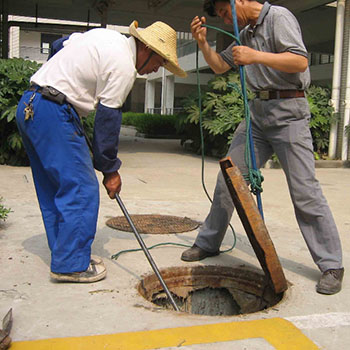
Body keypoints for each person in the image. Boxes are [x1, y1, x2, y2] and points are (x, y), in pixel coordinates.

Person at [181, 0, 344, 295]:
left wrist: (256, 56)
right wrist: (203, 44)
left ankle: (331, 264)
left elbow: (300, 61)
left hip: (289, 112)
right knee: (229, 179)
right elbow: (220, 66)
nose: (224, 19)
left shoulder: (278, 17)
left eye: (223, 11)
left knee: (304, 191)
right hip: (257, 114)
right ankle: (208, 242)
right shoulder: (245, 33)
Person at [16, 20, 187, 283]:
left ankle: (66, 253)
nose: (156, 69)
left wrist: (60, 83)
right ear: (145, 48)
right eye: (160, 61)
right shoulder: (123, 65)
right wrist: (110, 169)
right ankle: (71, 265)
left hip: (31, 104)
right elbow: (107, 122)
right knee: (81, 189)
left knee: (54, 188)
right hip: (53, 112)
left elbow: (57, 45)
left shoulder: (104, 37)